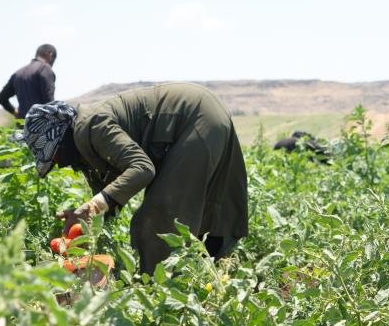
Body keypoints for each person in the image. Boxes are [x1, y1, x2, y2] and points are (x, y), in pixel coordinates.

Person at [19, 83, 248, 274]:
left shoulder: (93, 126)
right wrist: (84, 225)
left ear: (60, 138)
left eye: (54, 156)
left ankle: (161, 293)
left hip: (196, 119)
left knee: (159, 218)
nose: (57, 164)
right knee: (204, 209)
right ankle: (211, 277)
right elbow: (108, 194)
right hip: (204, 115)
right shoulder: (83, 145)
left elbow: (142, 168)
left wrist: (91, 207)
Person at [0, 44, 57, 119]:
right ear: (50, 55)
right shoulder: (44, 68)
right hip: (40, 126)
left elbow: (1, 98)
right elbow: (50, 103)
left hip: (22, 126)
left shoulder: (18, 73)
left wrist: (15, 112)